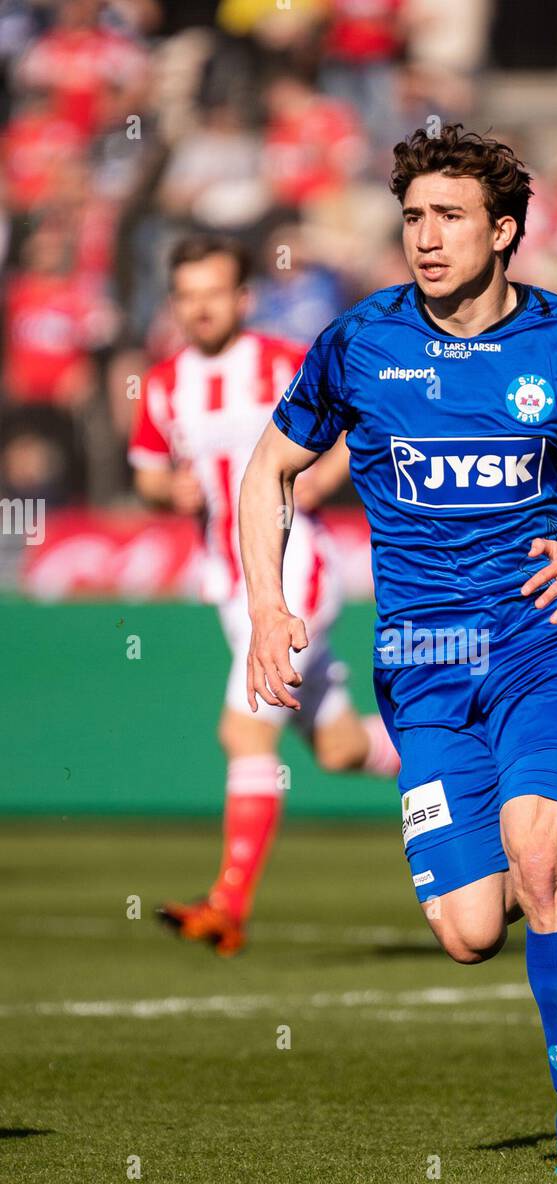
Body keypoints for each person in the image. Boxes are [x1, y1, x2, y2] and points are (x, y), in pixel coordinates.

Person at [239, 127, 557, 1177]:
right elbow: (270, 472)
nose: (425, 239)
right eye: (411, 219)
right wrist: (267, 605)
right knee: (471, 929)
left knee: (544, 861)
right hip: (422, 665)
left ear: (504, 231)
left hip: (543, 645)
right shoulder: (359, 342)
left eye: (448, 218)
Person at [130, 234, 398, 958]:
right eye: (186, 295)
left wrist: (324, 474)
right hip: (228, 582)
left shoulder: (283, 363)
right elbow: (149, 471)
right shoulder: (161, 384)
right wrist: (167, 489)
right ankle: (466, 756)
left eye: (213, 292)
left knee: (244, 731)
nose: (200, 308)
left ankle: (228, 905)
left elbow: (356, 423)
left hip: (292, 571)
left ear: (243, 297)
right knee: (340, 750)